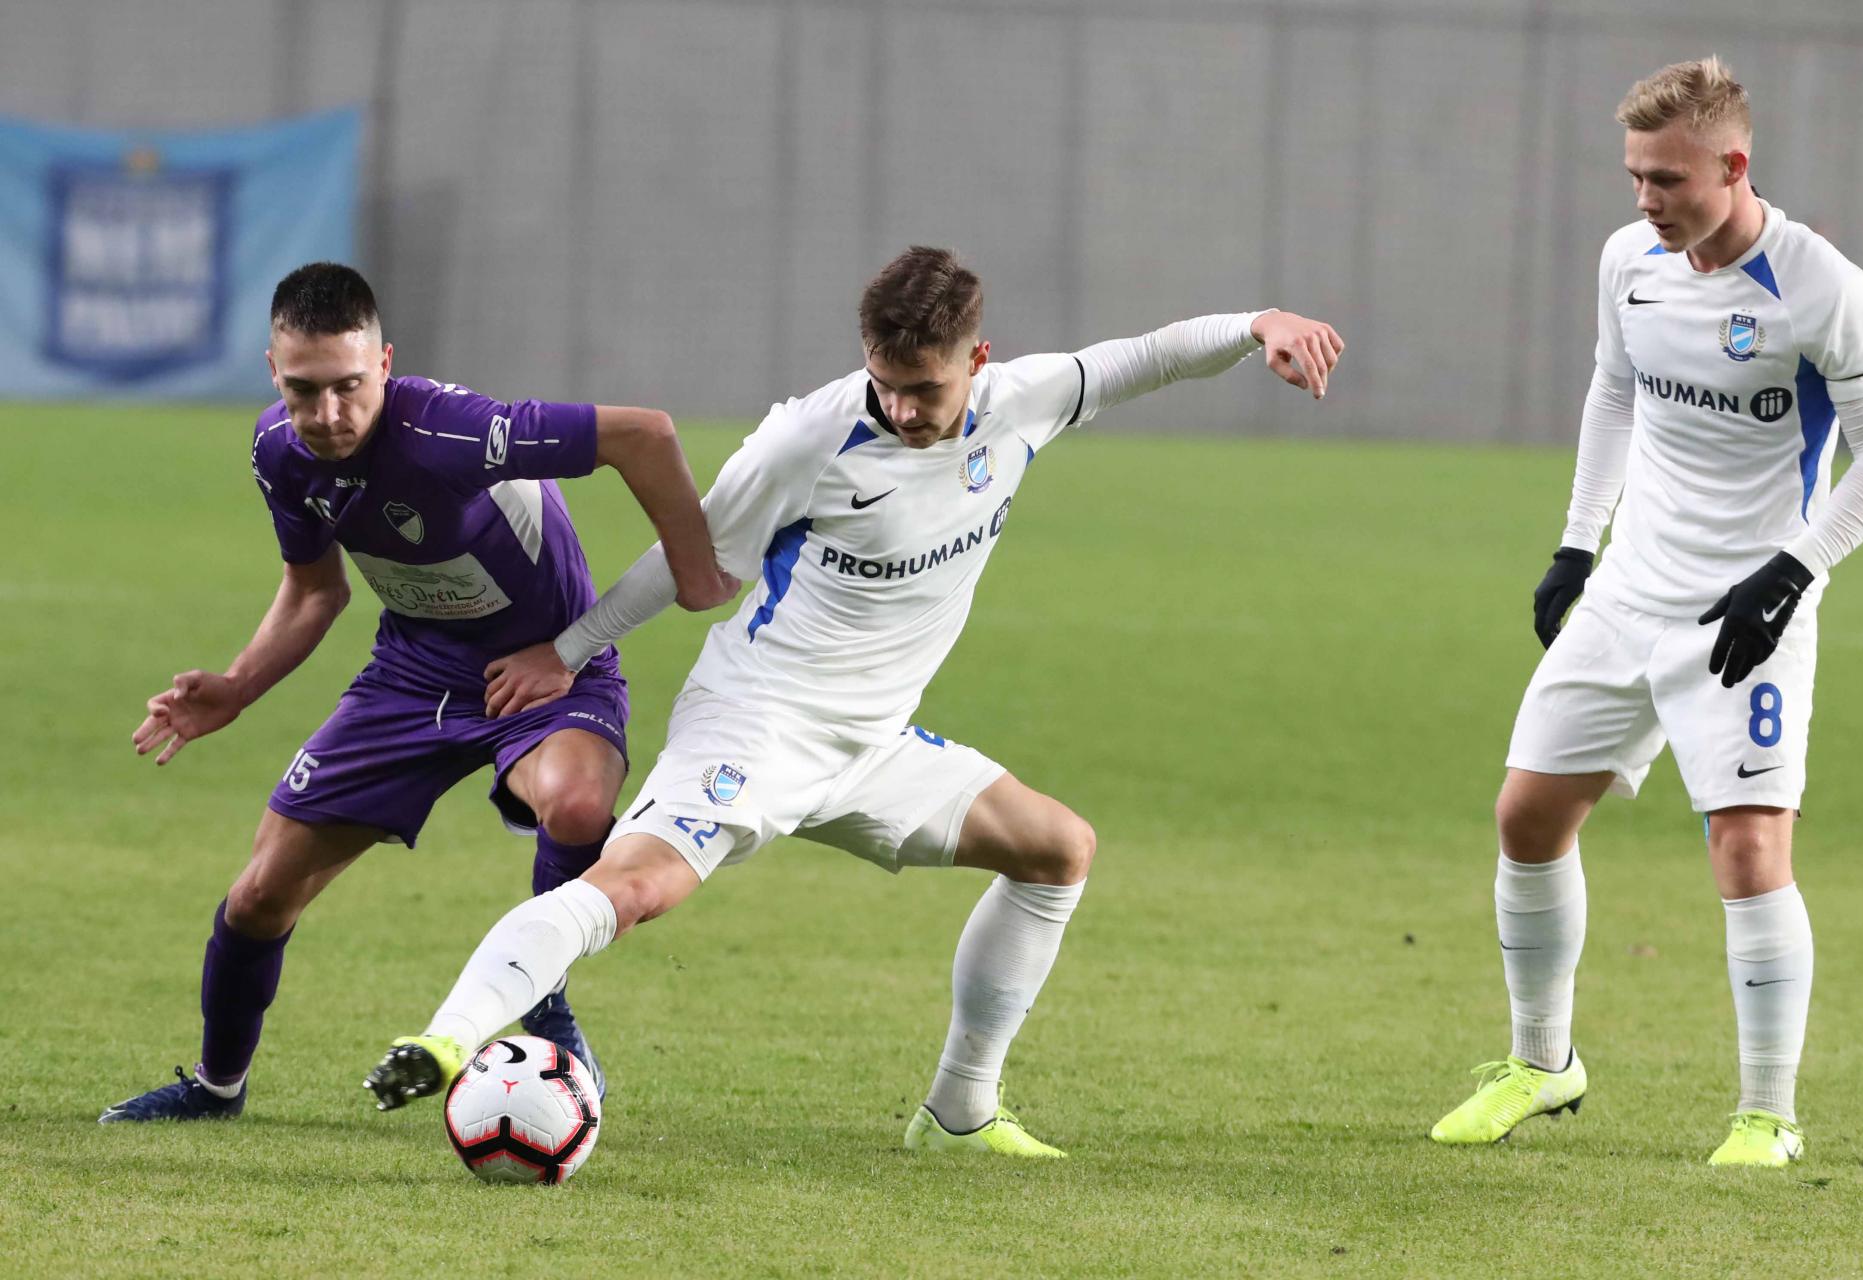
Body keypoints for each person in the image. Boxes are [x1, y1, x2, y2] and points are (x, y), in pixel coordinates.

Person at [362, 246, 1344, 1156]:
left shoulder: (1024, 402)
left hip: (873, 744)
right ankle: (448, 1040)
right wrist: (569, 650)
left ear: (978, 360)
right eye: (886, 382)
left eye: (926, 388)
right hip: (758, 722)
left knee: (1057, 849)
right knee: (634, 891)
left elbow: (1151, 356)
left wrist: (1259, 323)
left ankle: (959, 1111)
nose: (904, 408)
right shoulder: (807, 439)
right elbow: (689, 556)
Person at [101, 262, 730, 1122]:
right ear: (273, 372)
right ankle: (216, 1089)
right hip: (412, 678)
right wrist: (238, 686)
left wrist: (694, 573)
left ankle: (540, 999)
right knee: (257, 897)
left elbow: (644, 434)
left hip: (550, 672)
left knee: (579, 805)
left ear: (385, 364)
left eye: (349, 386)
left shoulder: (452, 432)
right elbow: (315, 591)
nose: (328, 414)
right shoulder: (278, 451)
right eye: (303, 390)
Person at [1429, 58, 1863, 1166]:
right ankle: (1543, 1063)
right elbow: (1615, 389)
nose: (1646, 199)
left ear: (1734, 167)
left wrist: (1791, 573)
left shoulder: (1821, 287)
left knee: (1747, 849)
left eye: (1667, 179)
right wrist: (1576, 543)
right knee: (1526, 817)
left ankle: (1766, 1116)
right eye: (1635, 176)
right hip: (1629, 590)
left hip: (1749, 612)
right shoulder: (1629, 260)